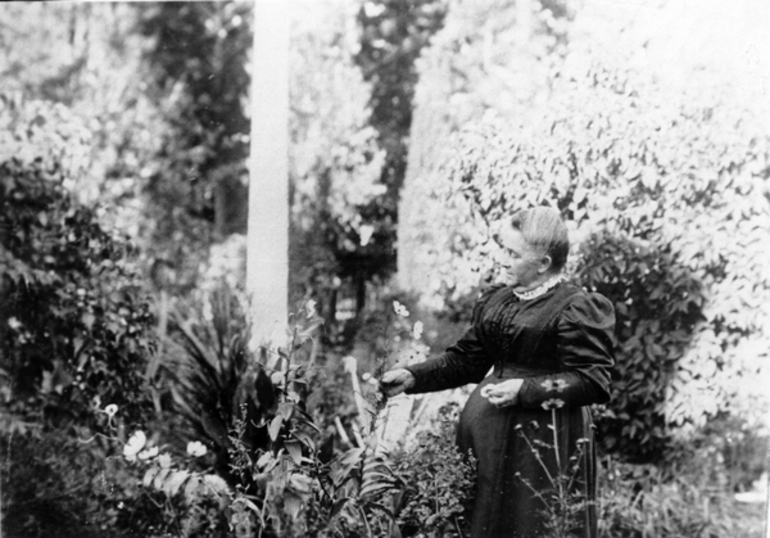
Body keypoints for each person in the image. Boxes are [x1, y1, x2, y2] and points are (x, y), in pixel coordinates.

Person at [380, 207, 615, 538]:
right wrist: (414, 376)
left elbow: (593, 381)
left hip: (542, 445)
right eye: (502, 248)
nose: (501, 259)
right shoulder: (498, 300)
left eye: (512, 253)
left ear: (544, 263)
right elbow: (468, 360)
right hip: (486, 443)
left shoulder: (575, 307)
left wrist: (526, 390)